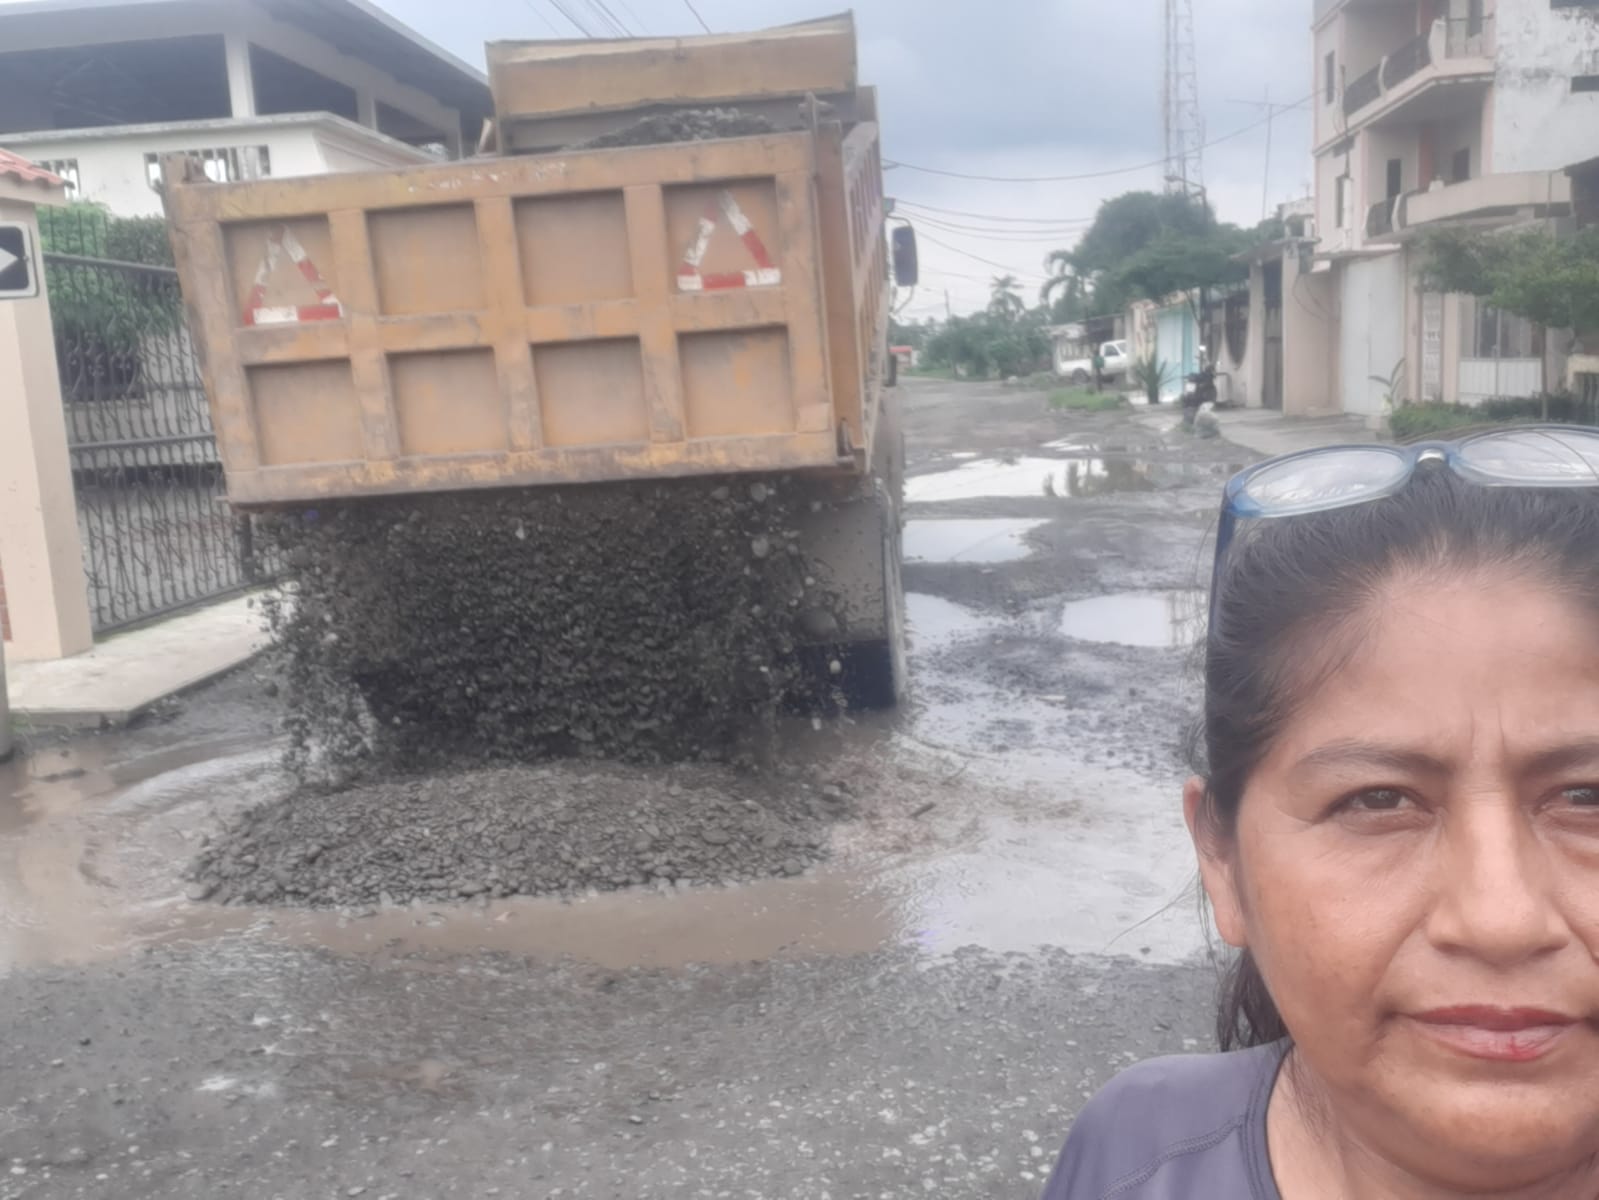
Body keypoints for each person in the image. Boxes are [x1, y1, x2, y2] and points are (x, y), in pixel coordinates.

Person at [1044, 428, 1599, 1200]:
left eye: (1586, 797)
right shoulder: (1137, 1155)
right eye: (1377, 799)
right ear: (1222, 862)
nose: (1498, 920)